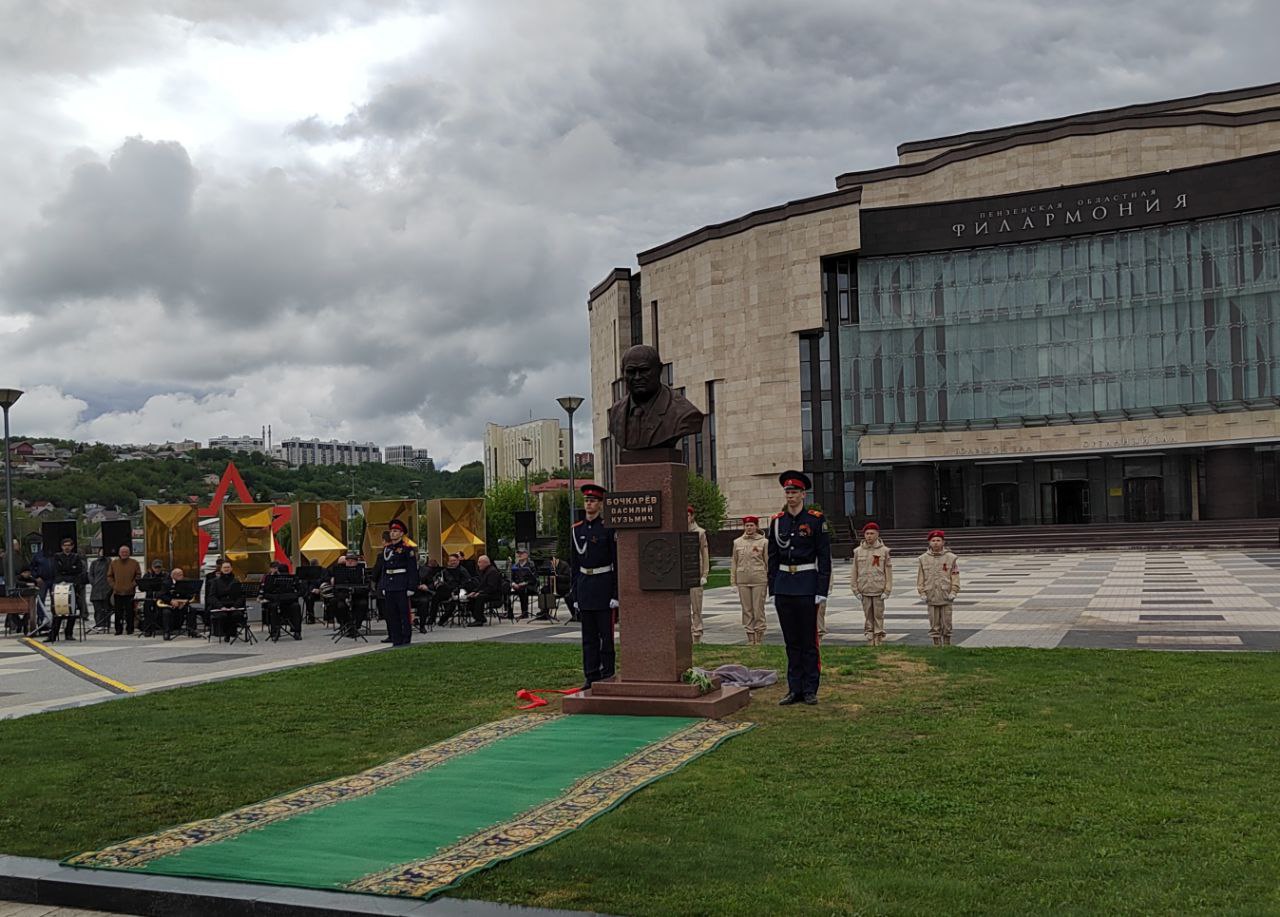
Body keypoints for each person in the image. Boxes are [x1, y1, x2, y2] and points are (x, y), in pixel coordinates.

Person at [767, 471, 830, 706]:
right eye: (787, 492)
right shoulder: (777, 521)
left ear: (804, 494)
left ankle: (810, 688)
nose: (790, 496)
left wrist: (821, 590)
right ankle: (794, 688)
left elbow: (824, 558)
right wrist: (773, 588)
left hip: (806, 584)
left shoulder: (815, 520)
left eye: (794, 492)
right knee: (791, 641)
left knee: (808, 641)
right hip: (784, 585)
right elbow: (772, 557)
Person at [606, 344, 705, 450]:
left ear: (659, 370)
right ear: (623, 373)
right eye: (631, 371)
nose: (637, 377)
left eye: (644, 370)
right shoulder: (615, 412)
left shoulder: (683, 413)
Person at [571, 483, 618, 690]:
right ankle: (590, 675)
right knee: (588, 638)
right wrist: (575, 594)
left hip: (604, 585)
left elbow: (616, 562)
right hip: (585, 587)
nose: (589, 503)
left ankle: (607, 673)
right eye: (586, 500)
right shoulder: (576, 529)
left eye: (593, 500)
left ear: (600, 504)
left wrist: (615, 593)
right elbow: (574, 564)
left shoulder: (607, 528)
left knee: (606, 636)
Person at [371, 519, 418, 646]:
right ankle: (396, 639)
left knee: (404, 614)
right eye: (391, 531)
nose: (392, 533)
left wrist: (411, 586)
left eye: (396, 531)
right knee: (392, 614)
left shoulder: (407, 549)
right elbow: (385, 569)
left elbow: (412, 570)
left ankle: (405, 639)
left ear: (401, 533)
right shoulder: (387, 549)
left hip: (402, 584)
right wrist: (384, 586)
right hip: (390, 585)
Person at [916, 530, 961, 646]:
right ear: (929, 543)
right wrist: (922, 592)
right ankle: (936, 643)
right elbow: (921, 577)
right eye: (933, 541)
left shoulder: (951, 558)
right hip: (931, 595)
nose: (936, 543)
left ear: (943, 542)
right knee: (934, 621)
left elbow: (955, 576)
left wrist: (954, 591)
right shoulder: (923, 559)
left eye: (938, 540)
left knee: (947, 621)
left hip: (946, 595)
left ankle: (947, 643)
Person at [852, 522, 893, 647]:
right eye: (867, 533)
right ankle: (869, 634)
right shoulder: (858, 551)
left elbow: (888, 571)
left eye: (872, 533)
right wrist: (855, 589)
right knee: (867, 613)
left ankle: (878, 635)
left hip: (878, 588)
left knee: (878, 613)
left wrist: (887, 590)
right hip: (864, 588)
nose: (869, 536)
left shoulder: (884, 551)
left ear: (877, 534)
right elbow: (854, 571)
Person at [730, 515, 768, 645]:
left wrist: (770, 580)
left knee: (758, 609)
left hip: (759, 579)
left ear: (756, 526)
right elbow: (734, 563)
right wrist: (733, 582)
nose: (749, 528)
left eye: (752, 525)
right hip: (743, 580)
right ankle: (750, 636)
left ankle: (759, 636)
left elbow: (768, 562)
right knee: (746, 610)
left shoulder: (763, 542)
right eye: (747, 525)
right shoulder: (737, 542)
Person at [46, 537, 86, 643]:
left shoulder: (76, 557)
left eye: (69, 545)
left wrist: (67, 571)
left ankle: (69, 633)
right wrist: (69, 570)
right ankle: (53, 635)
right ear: (62, 547)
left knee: (72, 609)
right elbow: (57, 570)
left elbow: (78, 570)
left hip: (73, 585)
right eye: (65, 545)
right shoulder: (57, 556)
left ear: (72, 546)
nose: (67, 547)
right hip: (59, 584)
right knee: (57, 610)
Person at [262, 561, 303, 641]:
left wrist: (293, 595)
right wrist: (275, 597)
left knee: (296, 606)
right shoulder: (270, 578)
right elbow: (266, 593)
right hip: (277, 601)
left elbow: (301, 591)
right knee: (273, 607)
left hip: (289, 601)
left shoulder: (293, 578)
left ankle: (297, 631)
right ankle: (274, 631)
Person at [207, 558, 246, 641]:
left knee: (236, 615)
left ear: (231, 568)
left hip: (233, 606)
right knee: (223, 615)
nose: (226, 569)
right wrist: (221, 607)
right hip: (220, 606)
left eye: (228, 567)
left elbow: (240, 596)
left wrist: (235, 606)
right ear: (221, 569)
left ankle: (230, 633)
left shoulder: (236, 581)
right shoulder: (215, 581)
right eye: (224, 567)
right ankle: (227, 634)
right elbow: (212, 597)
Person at [687, 505, 710, 643]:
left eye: (688, 515)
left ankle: (697, 633)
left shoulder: (700, 532)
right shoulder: (677, 530)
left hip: (696, 572)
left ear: (692, 516)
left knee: (696, 605)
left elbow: (705, 554)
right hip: (682, 574)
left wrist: (705, 574)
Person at [107, 544, 141, 635]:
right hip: (117, 592)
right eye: (122, 552)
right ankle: (118, 629)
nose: (124, 554)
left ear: (129, 553)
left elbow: (138, 576)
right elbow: (109, 576)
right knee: (118, 612)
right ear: (119, 553)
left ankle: (130, 629)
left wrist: (132, 585)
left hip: (130, 592)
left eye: (126, 552)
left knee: (130, 612)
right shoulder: (114, 563)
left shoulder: (135, 563)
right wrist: (114, 586)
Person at [156, 567, 194, 641]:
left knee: (192, 610)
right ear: (173, 575)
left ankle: (192, 630)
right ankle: (167, 632)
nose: (181, 576)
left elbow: (189, 595)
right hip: (169, 604)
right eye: (179, 575)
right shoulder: (166, 583)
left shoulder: (185, 583)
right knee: (166, 612)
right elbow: (161, 595)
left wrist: (185, 601)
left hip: (181, 604)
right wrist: (170, 601)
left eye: (182, 574)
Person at [467, 554, 506, 626]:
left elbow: (492, 587)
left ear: (485, 563)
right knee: (471, 598)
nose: (478, 564)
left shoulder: (492, 571)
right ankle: (479, 617)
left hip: (494, 594)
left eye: (479, 562)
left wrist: (479, 592)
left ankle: (479, 620)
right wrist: (474, 592)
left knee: (479, 597)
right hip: (488, 593)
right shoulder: (486, 571)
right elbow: (481, 585)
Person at [539, 554, 571, 621]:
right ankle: (544, 612)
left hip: (563, 587)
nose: (552, 563)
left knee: (568, 596)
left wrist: (557, 576)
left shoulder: (564, 565)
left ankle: (574, 614)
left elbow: (567, 578)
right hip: (553, 586)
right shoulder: (550, 566)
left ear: (557, 559)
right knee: (543, 590)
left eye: (553, 560)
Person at [509, 549, 539, 619]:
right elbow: (511, 578)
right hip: (518, 586)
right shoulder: (515, 565)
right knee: (506, 588)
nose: (519, 555)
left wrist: (524, 583)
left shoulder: (531, 565)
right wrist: (513, 583)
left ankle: (524, 612)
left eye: (521, 553)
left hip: (530, 586)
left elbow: (535, 579)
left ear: (526, 555)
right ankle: (509, 612)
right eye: (518, 553)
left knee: (523, 589)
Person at [88, 547, 112, 630]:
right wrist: (93, 582)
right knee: (97, 609)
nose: (102, 553)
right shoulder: (94, 563)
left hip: (107, 589)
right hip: (96, 589)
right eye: (101, 551)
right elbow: (90, 574)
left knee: (106, 608)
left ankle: (106, 624)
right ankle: (99, 624)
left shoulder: (109, 562)